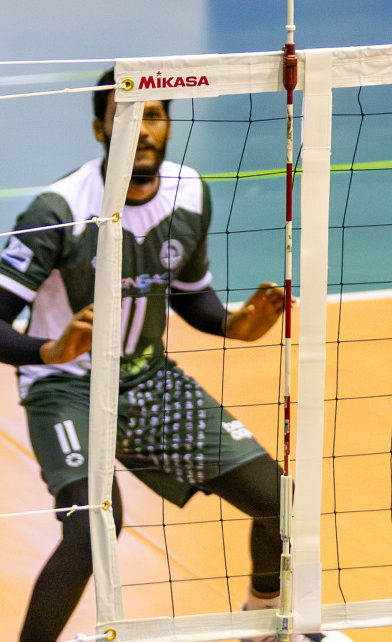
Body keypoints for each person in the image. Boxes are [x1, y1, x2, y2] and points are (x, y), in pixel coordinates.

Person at [0, 71, 293, 641]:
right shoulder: (56, 209)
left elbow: (190, 295)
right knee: (93, 530)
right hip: (66, 386)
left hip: (147, 379)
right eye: (127, 114)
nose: (142, 127)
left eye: (154, 113)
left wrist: (236, 325)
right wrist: (50, 349)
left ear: (168, 124)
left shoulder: (189, 192)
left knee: (281, 502)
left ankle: (261, 620)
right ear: (99, 127)